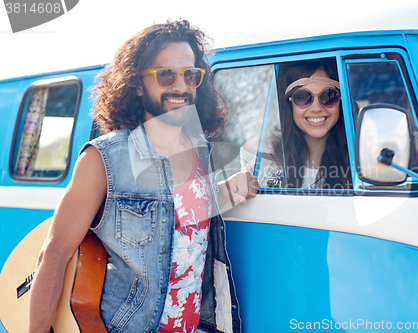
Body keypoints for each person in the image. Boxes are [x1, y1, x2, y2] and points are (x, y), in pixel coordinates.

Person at [28, 19, 256, 333]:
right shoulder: (104, 158)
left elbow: (179, 212)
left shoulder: (199, 148)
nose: (181, 87)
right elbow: (55, 251)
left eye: (190, 75)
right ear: (136, 84)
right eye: (166, 75)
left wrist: (230, 190)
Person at [240, 60, 351, 189]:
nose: (316, 108)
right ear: (290, 104)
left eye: (328, 96)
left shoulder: (360, 156)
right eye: (303, 97)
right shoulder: (261, 153)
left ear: (340, 102)